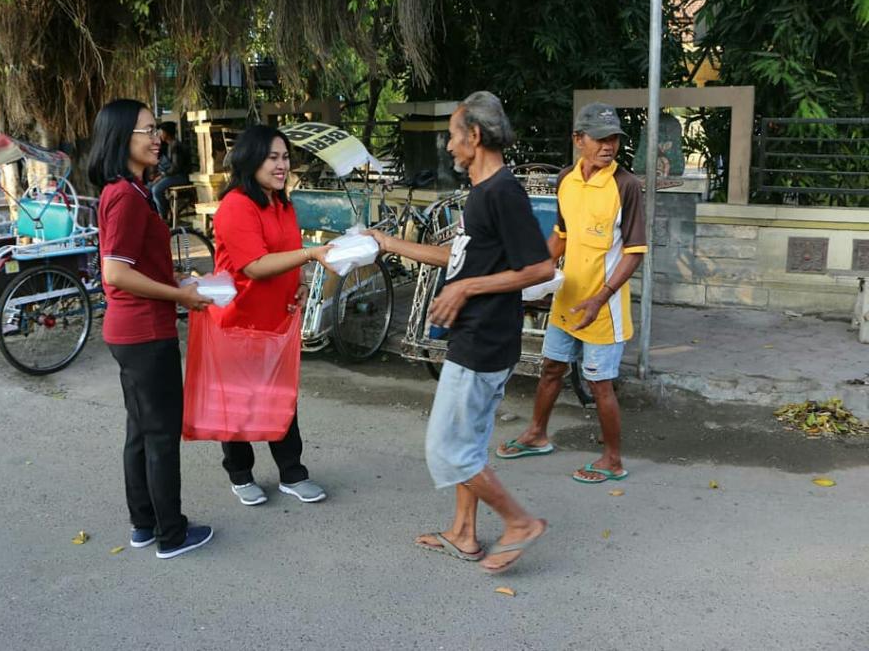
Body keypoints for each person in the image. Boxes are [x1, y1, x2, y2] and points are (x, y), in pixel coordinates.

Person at [366, 91, 553, 574]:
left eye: (452, 135)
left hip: (484, 339)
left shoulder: (504, 192)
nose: (448, 146)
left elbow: (538, 268)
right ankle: (464, 533)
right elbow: (460, 258)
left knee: (448, 448)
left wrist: (468, 288)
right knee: (468, 439)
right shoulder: (482, 191)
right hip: (479, 335)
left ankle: (519, 522)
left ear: (474, 135)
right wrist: (389, 243)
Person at [87, 98, 215, 560]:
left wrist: (177, 282)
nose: (156, 136)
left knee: (141, 430)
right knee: (159, 434)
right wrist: (180, 296)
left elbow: (134, 265)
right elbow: (116, 273)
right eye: (145, 130)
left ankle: (144, 524)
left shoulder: (132, 191)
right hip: (143, 333)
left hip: (134, 330)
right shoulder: (123, 195)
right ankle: (171, 534)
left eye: (155, 127)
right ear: (122, 138)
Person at [496, 102, 647, 484]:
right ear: (578, 140)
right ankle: (536, 434)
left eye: (613, 138)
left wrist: (601, 297)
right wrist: (533, 273)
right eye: (600, 138)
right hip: (567, 299)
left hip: (604, 307)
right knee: (551, 369)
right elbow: (561, 237)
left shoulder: (625, 186)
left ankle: (612, 459)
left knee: (599, 384)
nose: (608, 145)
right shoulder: (565, 180)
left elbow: (634, 254)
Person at [212, 124, 332, 507]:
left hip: (276, 319)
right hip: (237, 319)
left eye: (285, 158)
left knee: (282, 398)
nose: (282, 166)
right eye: (272, 158)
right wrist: (311, 255)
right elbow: (254, 266)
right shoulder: (236, 204)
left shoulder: (282, 203)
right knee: (238, 401)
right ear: (251, 160)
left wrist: (295, 283)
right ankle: (240, 473)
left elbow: (283, 254)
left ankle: (292, 473)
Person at [150, 122, 191, 218]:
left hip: (181, 177)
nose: (160, 135)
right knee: (149, 187)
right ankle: (158, 213)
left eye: (162, 132)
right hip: (173, 176)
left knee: (156, 190)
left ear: (167, 133)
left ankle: (163, 215)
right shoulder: (168, 145)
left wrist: (162, 176)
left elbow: (176, 167)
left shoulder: (175, 146)